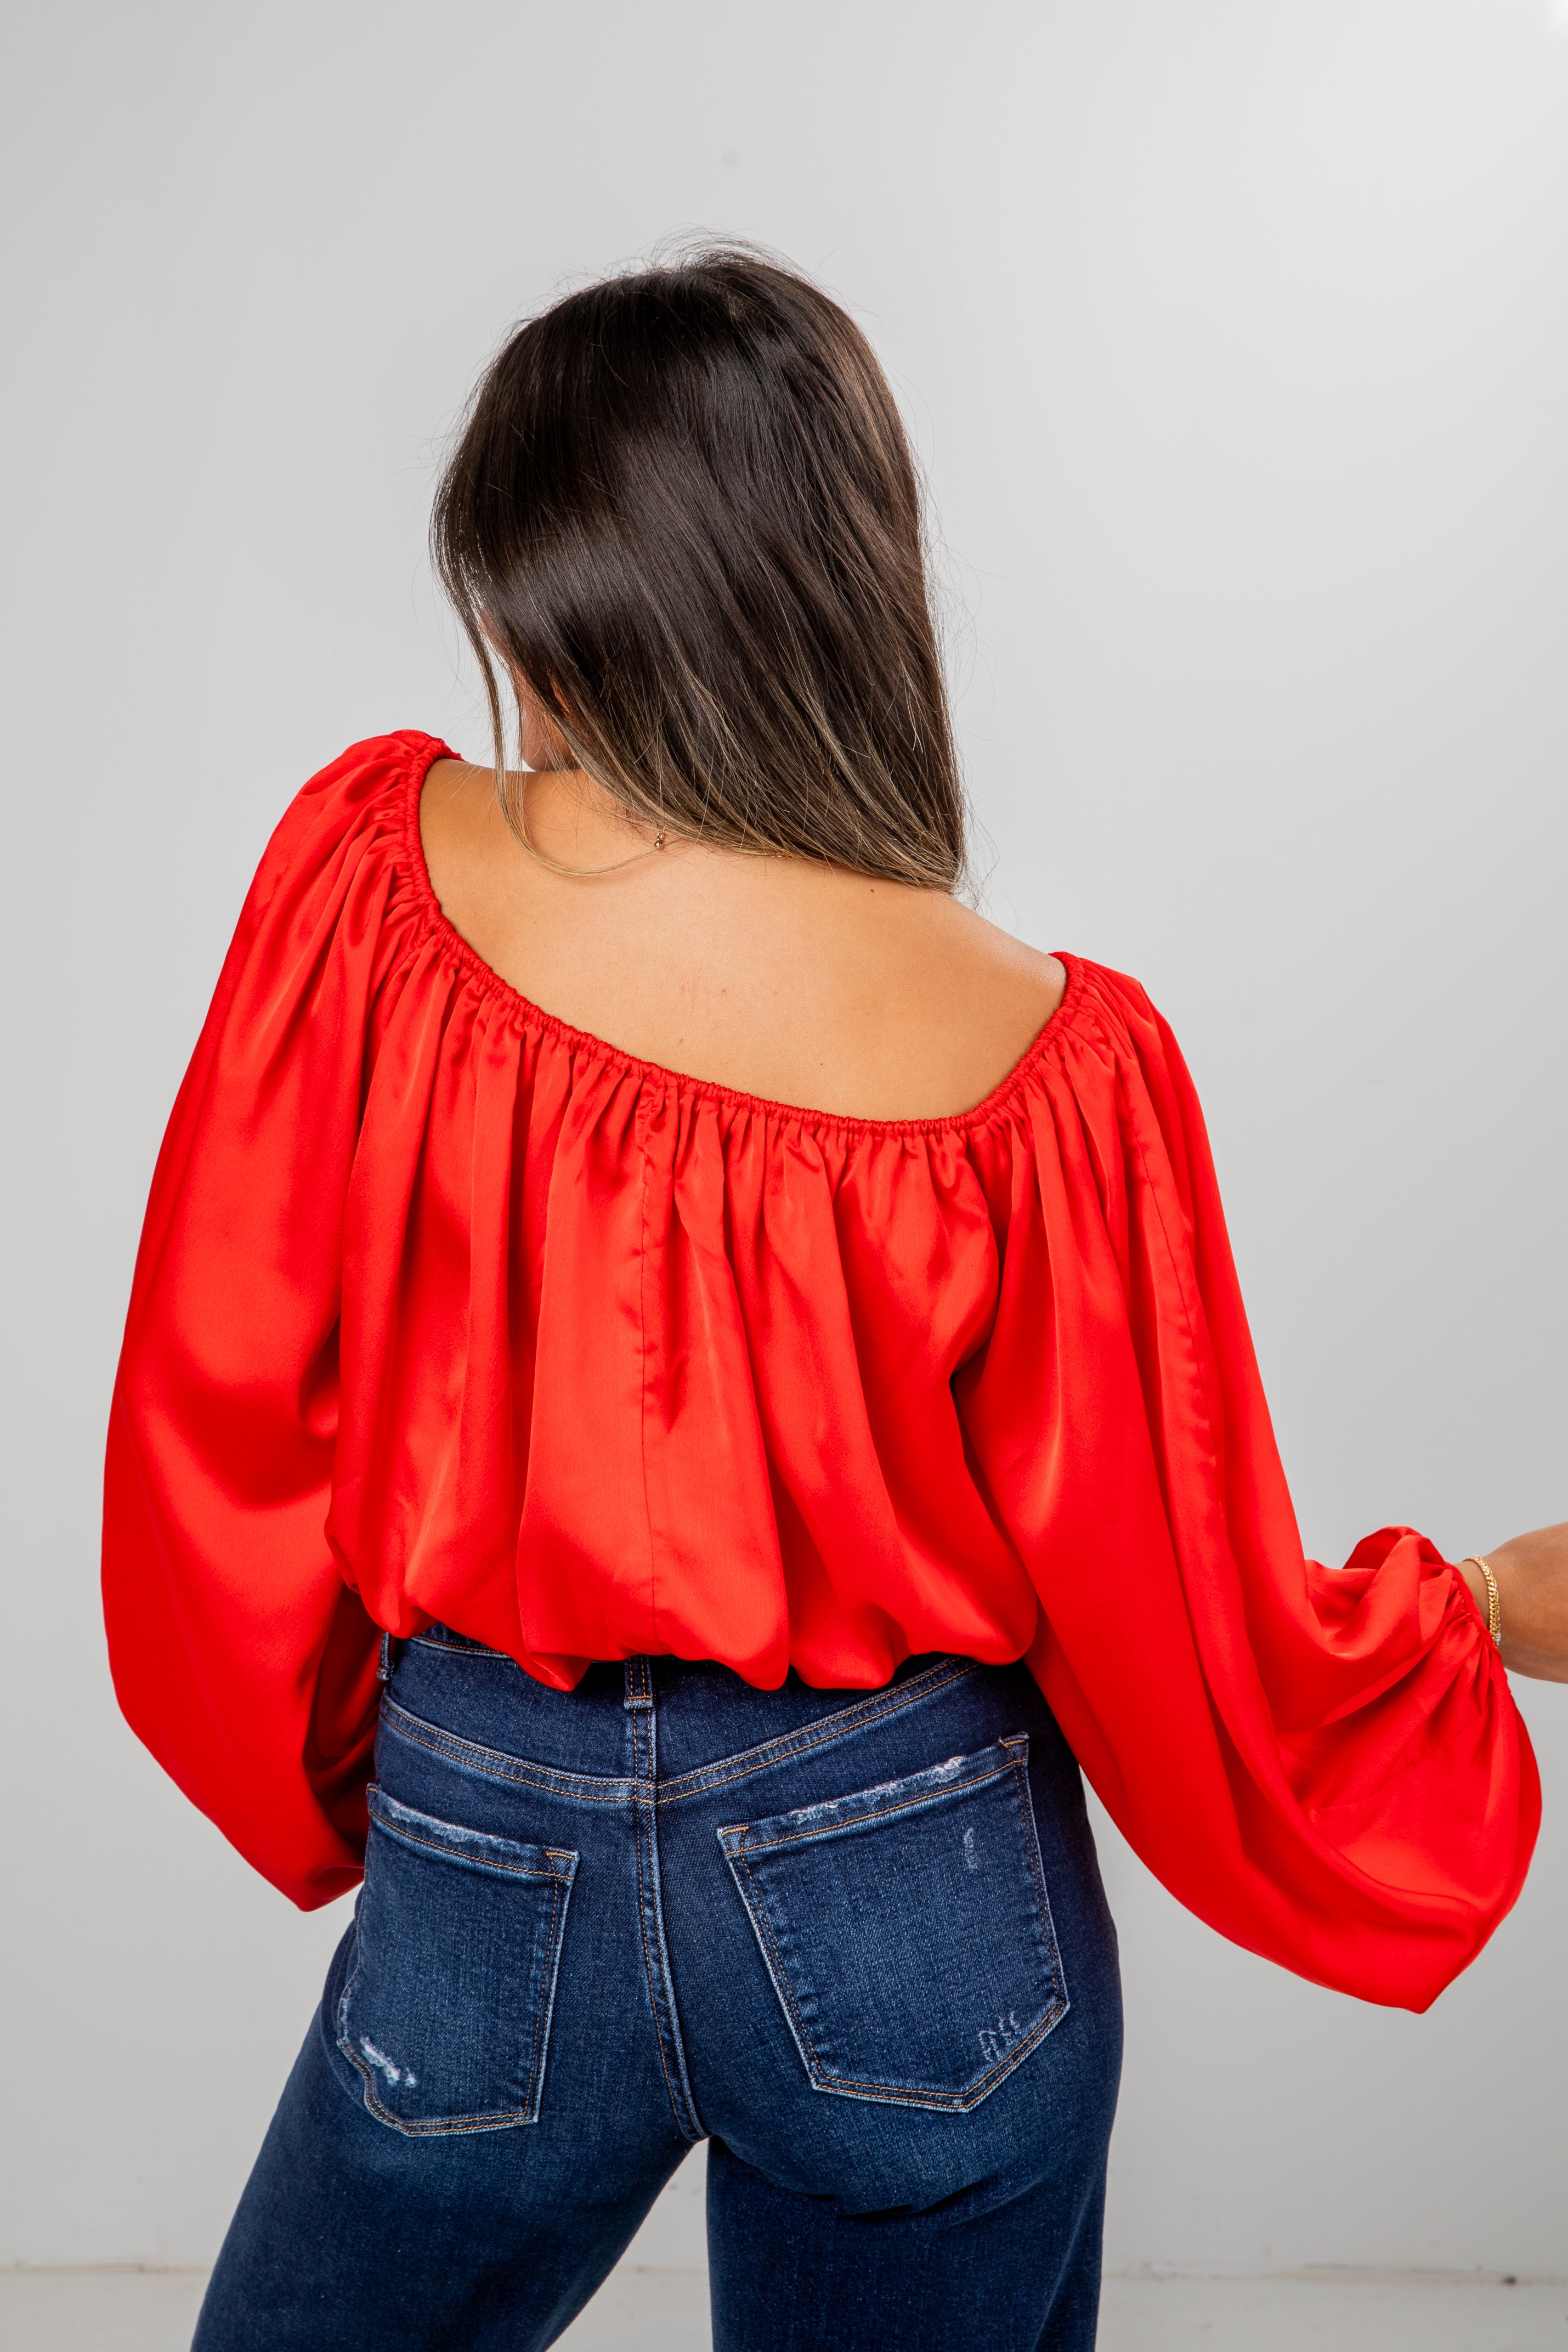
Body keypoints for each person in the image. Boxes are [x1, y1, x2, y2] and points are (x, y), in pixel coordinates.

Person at [101, 248, 1563, 2352]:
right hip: (918, 1870)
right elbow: (1172, 1592)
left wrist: (355, 1767)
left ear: (542, 580)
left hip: (485, 1834)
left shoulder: (371, 880)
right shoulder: (1044, 1055)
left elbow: (225, 1390)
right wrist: (1477, 1607)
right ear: (843, 574)